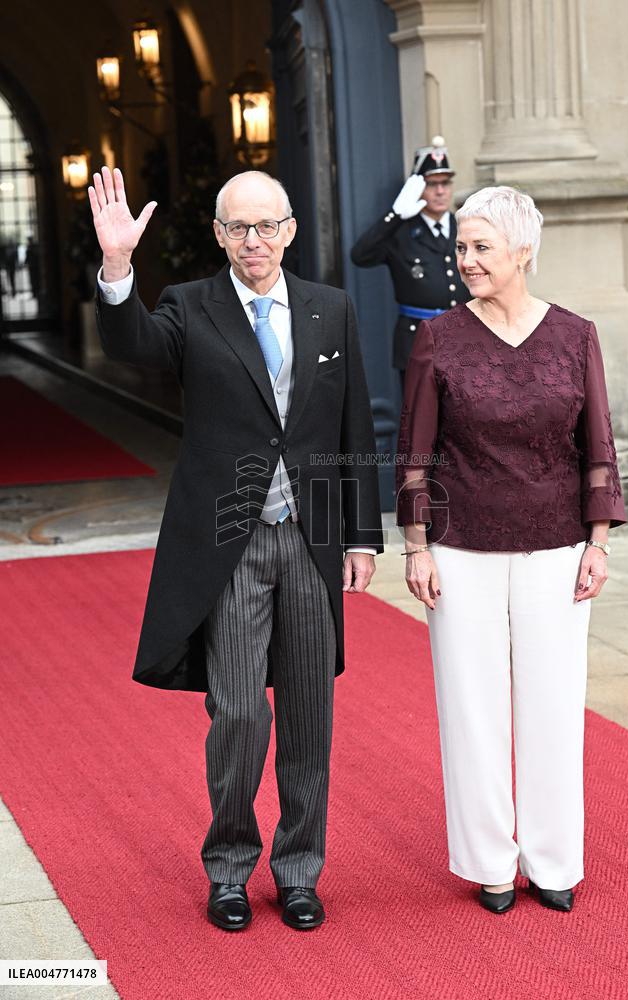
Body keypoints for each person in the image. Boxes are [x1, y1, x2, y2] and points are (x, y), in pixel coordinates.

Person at [90, 165, 383, 932]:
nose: (254, 242)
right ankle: (227, 867)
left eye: (267, 226)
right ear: (219, 235)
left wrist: (361, 535)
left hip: (312, 542)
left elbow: (353, 427)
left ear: (289, 229)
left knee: (310, 717)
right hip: (229, 543)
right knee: (240, 715)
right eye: (238, 228)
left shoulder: (331, 309)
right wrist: (118, 268)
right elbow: (134, 345)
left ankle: (298, 871)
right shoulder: (192, 306)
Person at [395, 185, 627, 915]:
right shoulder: (438, 337)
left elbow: (598, 446)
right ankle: (492, 864)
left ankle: (554, 860)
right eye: (461, 247)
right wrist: (416, 545)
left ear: (523, 249)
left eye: (481, 247)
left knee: (555, 706)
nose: (465, 260)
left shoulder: (577, 334)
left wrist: (598, 540)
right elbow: (415, 450)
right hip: (460, 550)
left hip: (558, 550)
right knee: (472, 709)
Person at [350, 136, 470, 388]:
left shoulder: (464, 227)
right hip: (418, 338)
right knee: (420, 419)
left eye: (445, 183)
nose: (440, 191)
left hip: (463, 339)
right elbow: (360, 256)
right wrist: (395, 216)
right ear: (417, 189)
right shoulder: (401, 233)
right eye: (432, 184)